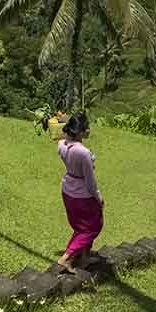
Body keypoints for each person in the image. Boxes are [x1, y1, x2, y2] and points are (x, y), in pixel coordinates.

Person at [56, 112, 104, 273]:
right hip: (82, 194)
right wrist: (98, 197)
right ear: (81, 131)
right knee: (92, 226)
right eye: (87, 127)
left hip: (67, 189)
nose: (89, 130)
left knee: (79, 225)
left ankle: (84, 257)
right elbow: (90, 181)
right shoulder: (83, 153)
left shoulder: (62, 144)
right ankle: (66, 257)